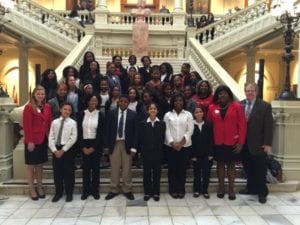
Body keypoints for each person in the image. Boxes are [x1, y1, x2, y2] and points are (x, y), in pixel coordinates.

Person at [207, 85, 246, 200]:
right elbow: (209, 125)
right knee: (220, 165)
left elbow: (242, 125)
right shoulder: (212, 107)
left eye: (224, 93)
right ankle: (221, 187)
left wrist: (240, 142)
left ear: (229, 94)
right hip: (218, 141)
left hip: (232, 141)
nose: (222, 95)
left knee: (231, 166)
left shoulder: (237, 106)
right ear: (217, 95)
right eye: (220, 93)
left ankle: (231, 189)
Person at [240, 83, 273, 204]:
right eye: (247, 90)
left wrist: (267, 143)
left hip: (259, 145)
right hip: (244, 145)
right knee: (248, 169)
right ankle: (250, 188)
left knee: (260, 170)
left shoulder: (264, 106)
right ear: (245, 91)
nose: (250, 93)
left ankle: (262, 192)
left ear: (256, 92)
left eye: (252, 90)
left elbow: (269, 127)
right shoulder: (240, 104)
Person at [104, 95, 138, 201]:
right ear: (118, 102)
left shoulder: (133, 114)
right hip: (114, 143)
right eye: (121, 101)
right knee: (114, 167)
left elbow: (136, 133)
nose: (123, 103)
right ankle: (114, 189)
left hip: (126, 143)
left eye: (125, 102)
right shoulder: (111, 113)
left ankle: (127, 189)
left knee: (127, 168)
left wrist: (134, 148)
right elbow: (107, 131)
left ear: (128, 103)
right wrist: (106, 146)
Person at [23, 85, 52, 200]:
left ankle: (39, 187)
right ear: (34, 95)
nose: (41, 96)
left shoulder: (47, 107)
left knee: (40, 165)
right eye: (38, 94)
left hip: (43, 139)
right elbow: (27, 126)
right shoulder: (29, 107)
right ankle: (32, 189)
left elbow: (49, 123)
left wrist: (50, 138)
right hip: (32, 141)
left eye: (43, 94)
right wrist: (30, 141)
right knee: (31, 166)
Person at [164, 93, 194, 199]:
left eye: (180, 100)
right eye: (176, 100)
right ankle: (172, 190)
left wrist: (181, 143)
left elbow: (190, 130)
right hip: (170, 146)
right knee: (172, 169)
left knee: (182, 169)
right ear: (173, 102)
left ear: (183, 102)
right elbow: (166, 130)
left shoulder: (188, 114)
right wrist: (172, 143)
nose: (178, 102)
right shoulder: (168, 115)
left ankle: (181, 189)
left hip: (184, 146)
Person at [48, 102, 77, 202]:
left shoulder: (73, 123)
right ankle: (58, 192)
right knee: (57, 172)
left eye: (69, 110)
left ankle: (69, 193)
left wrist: (63, 150)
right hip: (56, 149)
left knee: (69, 172)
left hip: (67, 150)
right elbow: (51, 137)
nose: (67, 111)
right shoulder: (54, 122)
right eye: (65, 109)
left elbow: (73, 138)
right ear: (61, 110)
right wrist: (54, 150)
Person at [78, 94, 105, 200]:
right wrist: (83, 147)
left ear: (98, 102)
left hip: (96, 145)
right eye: (91, 100)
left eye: (95, 101)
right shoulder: (81, 114)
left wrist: (94, 147)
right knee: (86, 169)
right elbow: (79, 132)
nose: (93, 102)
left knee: (95, 169)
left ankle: (95, 190)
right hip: (84, 144)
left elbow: (101, 133)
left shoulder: (101, 115)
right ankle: (86, 191)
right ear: (88, 101)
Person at [138, 103, 166, 201]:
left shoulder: (162, 123)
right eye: (151, 108)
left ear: (157, 111)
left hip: (158, 154)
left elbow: (163, 139)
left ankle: (156, 192)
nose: (153, 110)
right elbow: (140, 139)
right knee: (147, 174)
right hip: (146, 154)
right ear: (148, 111)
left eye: (154, 108)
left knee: (157, 174)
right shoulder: (143, 124)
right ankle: (147, 192)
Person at [191, 105, 213, 199]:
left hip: (206, 154)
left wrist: (211, 153)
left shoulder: (208, 124)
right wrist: (192, 155)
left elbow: (211, 140)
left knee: (206, 173)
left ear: (203, 113)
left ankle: (205, 190)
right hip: (196, 154)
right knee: (196, 173)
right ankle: (196, 190)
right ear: (194, 114)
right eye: (196, 112)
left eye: (200, 112)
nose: (199, 113)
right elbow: (190, 141)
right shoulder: (191, 124)